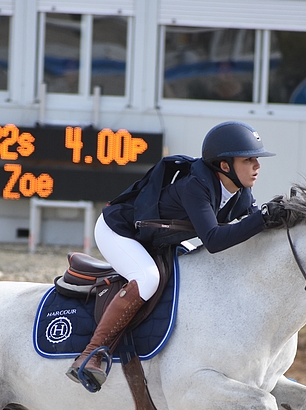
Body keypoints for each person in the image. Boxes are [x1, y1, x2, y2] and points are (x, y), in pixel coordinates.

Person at [66, 120, 290, 390]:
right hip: (118, 231)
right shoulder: (195, 186)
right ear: (224, 165)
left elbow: (254, 227)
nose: (257, 165)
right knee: (148, 278)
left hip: (158, 241)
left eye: (257, 159)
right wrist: (263, 219)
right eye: (249, 159)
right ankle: (91, 354)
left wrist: (284, 219)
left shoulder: (240, 191)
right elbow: (214, 240)